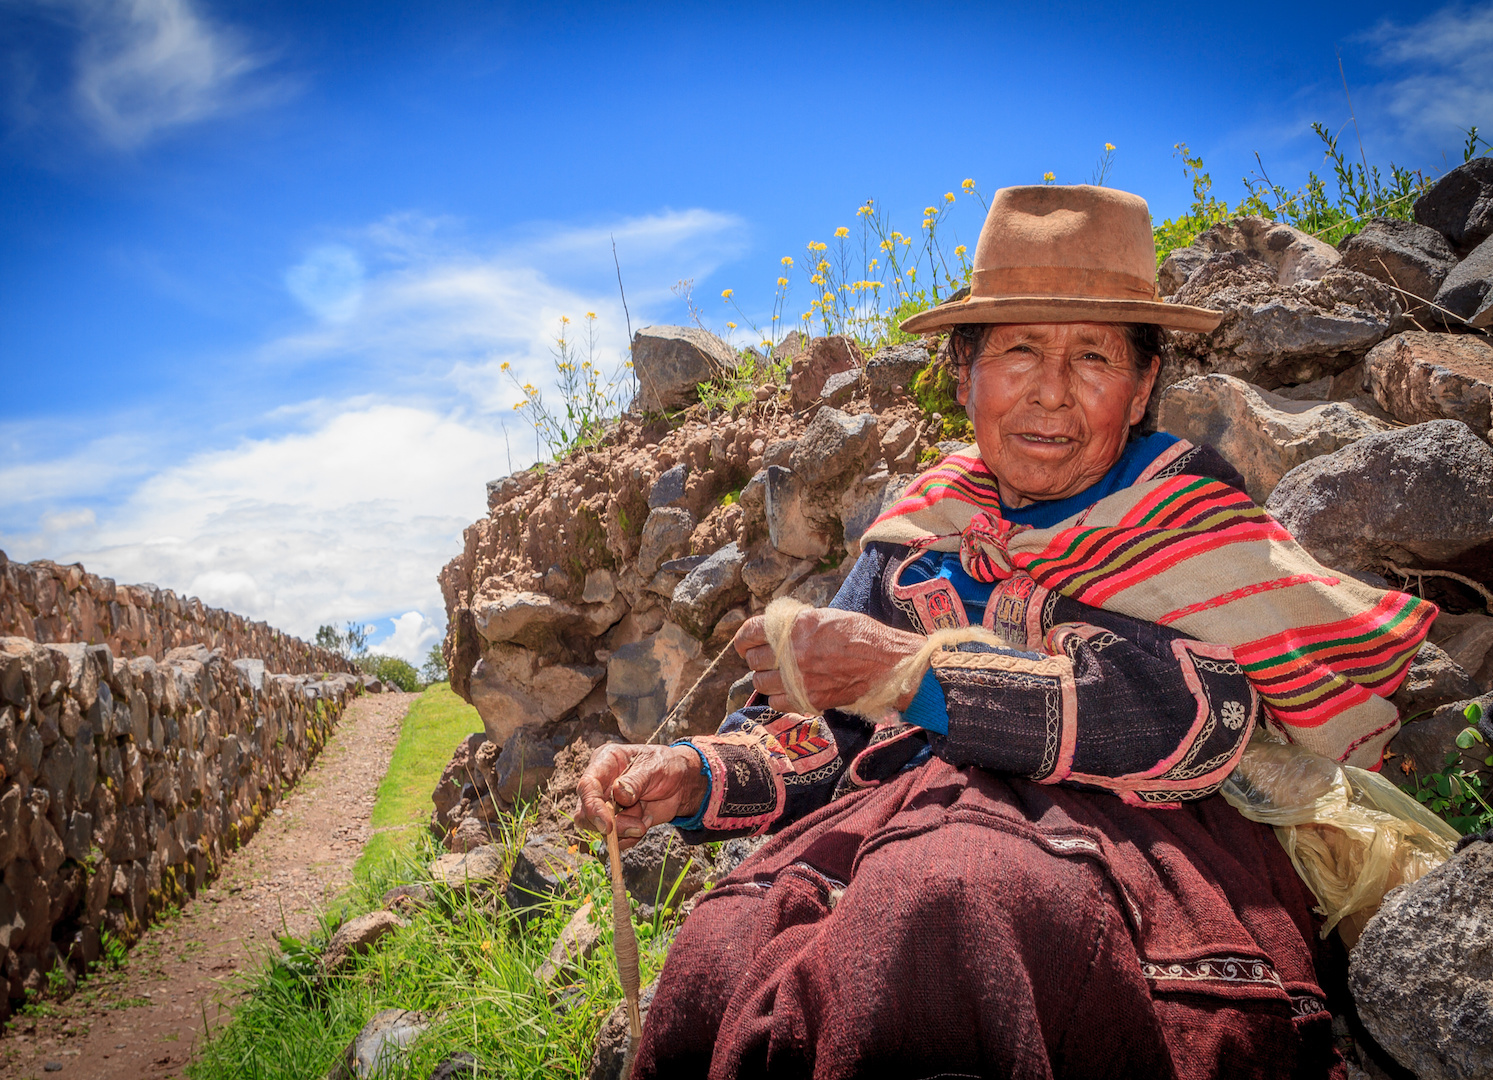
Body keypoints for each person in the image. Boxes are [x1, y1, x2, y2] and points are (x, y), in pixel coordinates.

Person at [578, 185, 1435, 1079]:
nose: (1052, 394)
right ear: (964, 374)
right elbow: (827, 739)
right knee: (722, 943)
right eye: (1019, 351)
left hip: (1136, 840)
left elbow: (1187, 724)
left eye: (1095, 357)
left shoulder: (1190, 527)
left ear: (1143, 385)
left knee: (947, 901)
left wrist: (910, 672)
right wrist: (687, 774)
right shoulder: (921, 531)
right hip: (892, 826)